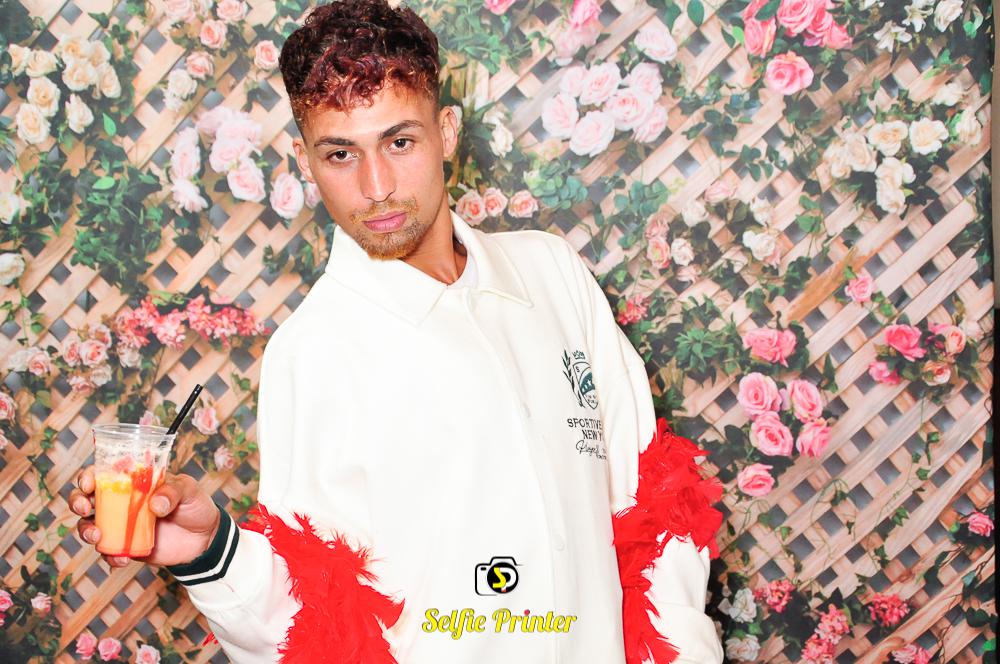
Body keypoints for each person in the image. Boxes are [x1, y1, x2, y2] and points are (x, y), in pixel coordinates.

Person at [70, 1, 724, 662]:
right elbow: (313, 620)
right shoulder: (311, 352)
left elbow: (655, 510)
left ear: (447, 132)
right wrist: (212, 553)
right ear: (306, 160)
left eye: (399, 142)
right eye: (340, 153)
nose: (376, 186)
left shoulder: (553, 273)